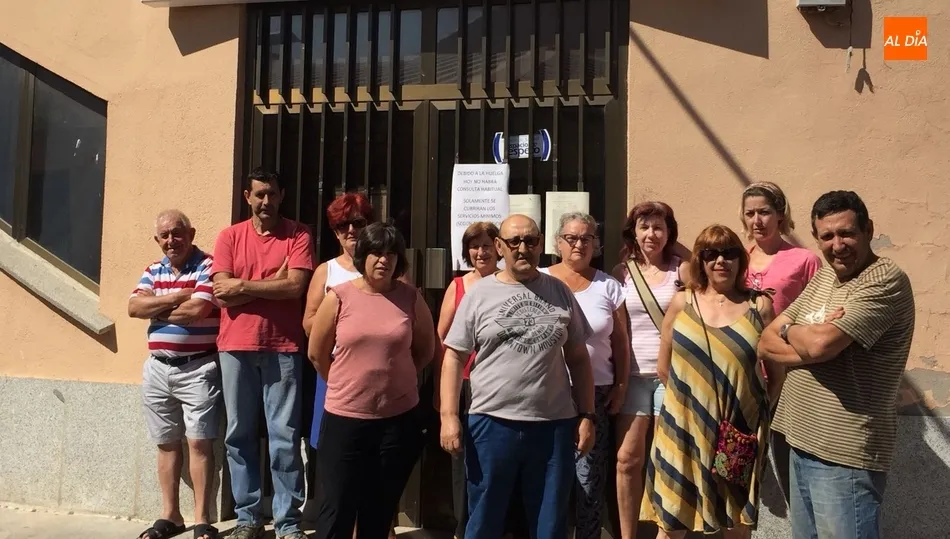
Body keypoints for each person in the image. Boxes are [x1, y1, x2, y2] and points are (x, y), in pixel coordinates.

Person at [758, 191, 915, 539]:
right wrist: (801, 335)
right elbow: (766, 341)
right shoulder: (825, 277)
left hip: (844, 453)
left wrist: (800, 335)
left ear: (868, 230)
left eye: (847, 233)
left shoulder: (883, 280)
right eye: (827, 236)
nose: (838, 245)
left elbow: (820, 343)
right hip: (797, 437)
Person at [439, 214, 596, 539]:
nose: (522, 248)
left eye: (530, 241)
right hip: (491, 425)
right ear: (500, 247)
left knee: (549, 526)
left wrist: (587, 414)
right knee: (484, 522)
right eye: (514, 242)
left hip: (552, 428)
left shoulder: (560, 292)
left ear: (540, 245)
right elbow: (454, 356)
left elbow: (579, 359)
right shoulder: (479, 295)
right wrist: (449, 416)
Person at [641, 224, 776, 539]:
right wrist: (694, 401)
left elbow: (775, 373)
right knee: (672, 522)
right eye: (711, 253)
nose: (720, 261)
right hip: (683, 429)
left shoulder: (760, 306)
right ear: (700, 260)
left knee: (737, 523)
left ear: (740, 260)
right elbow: (664, 367)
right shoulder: (682, 301)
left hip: (738, 431)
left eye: (729, 253)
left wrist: (754, 415)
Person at [307, 222, 436, 539]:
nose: (384, 260)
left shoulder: (410, 298)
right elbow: (316, 353)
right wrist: (345, 383)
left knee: (378, 512)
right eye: (377, 252)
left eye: (391, 253)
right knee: (337, 510)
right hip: (345, 420)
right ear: (363, 256)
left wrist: (396, 380)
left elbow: (425, 349)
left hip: (396, 422)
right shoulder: (339, 296)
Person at [211, 168, 314, 539]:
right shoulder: (229, 236)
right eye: (259, 195)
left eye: (271, 194)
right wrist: (271, 283)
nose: (265, 201)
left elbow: (296, 288)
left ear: (281, 195)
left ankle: (287, 523)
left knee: (284, 436)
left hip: (283, 347)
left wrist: (243, 287)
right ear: (247, 197)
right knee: (239, 434)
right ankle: (247, 518)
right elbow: (221, 291)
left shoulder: (299, 234)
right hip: (235, 347)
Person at [129, 210, 222, 539]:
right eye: (165, 235)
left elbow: (199, 310)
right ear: (157, 240)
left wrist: (157, 304)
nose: (171, 241)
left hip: (198, 368)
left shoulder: (209, 265)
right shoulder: (152, 269)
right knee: (167, 444)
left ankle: (202, 520)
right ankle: (170, 516)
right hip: (157, 368)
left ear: (192, 233)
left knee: (199, 443)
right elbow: (133, 308)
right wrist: (179, 296)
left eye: (178, 233)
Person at [542, 212, 630, 539]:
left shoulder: (609, 286)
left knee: (589, 477)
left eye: (586, 238)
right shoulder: (539, 279)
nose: (578, 244)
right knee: (549, 476)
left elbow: (621, 341)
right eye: (571, 238)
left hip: (596, 394)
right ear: (557, 243)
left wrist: (621, 386)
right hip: (546, 393)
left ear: (596, 244)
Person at [739, 181, 823, 506]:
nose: (757, 220)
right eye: (750, 213)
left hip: (791, 376)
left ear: (780, 214)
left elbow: (817, 314)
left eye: (764, 212)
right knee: (738, 460)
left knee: (790, 458)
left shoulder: (804, 260)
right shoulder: (735, 258)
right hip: (744, 374)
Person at [612, 201, 688, 539]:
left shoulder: (681, 271)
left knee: (667, 462)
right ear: (634, 232)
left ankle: (665, 532)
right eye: (644, 227)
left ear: (669, 232)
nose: (651, 234)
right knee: (627, 460)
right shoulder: (622, 272)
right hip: (632, 377)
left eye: (659, 227)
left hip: (670, 377)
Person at [434, 221, 501, 539]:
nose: (481, 252)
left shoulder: (508, 284)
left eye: (487, 245)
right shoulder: (458, 286)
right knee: (462, 459)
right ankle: (463, 528)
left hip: (497, 384)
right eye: (474, 246)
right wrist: (441, 388)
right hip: (463, 384)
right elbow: (441, 338)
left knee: (493, 456)